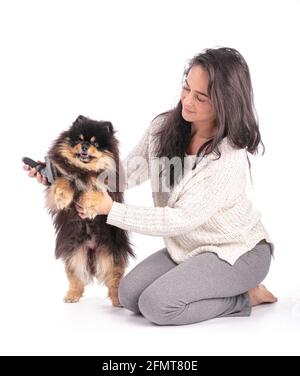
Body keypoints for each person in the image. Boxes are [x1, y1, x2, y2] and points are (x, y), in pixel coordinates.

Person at [23, 47, 278, 326]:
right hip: (187, 249)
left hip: (235, 252)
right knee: (130, 295)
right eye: (186, 88)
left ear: (225, 103)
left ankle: (245, 297)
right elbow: (124, 174)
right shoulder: (163, 129)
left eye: (200, 97)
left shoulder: (227, 158)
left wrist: (111, 209)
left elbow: (177, 220)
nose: (186, 101)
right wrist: (55, 174)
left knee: (158, 306)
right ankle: (208, 287)